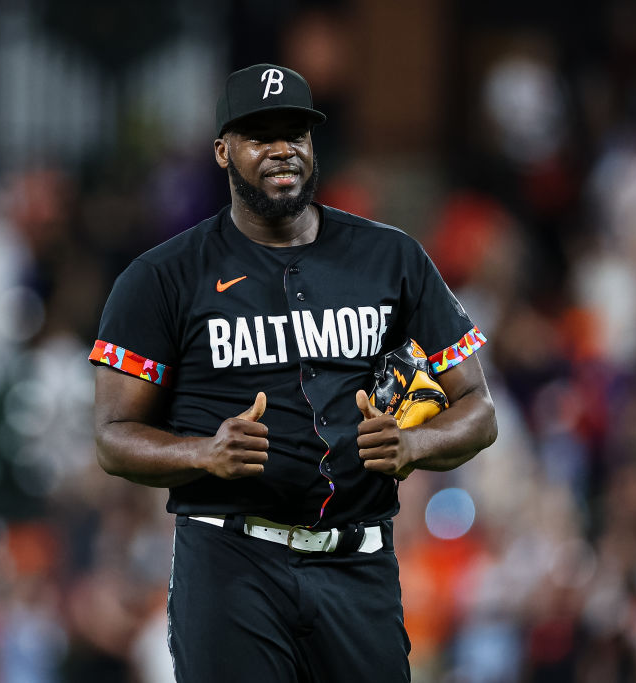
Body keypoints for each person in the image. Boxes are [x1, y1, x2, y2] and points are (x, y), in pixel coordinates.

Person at [89, 63, 497, 682]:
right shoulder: (161, 277)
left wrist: (414, 443)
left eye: (296, 133)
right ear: (223, 152)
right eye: (260, 135)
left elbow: (480, 410)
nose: (282, 150)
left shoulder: (393, 258)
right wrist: (205, 454)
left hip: (358, 566)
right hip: (231, 565)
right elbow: (112, 437)